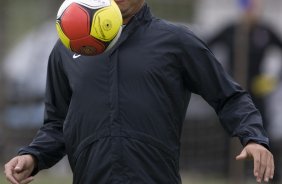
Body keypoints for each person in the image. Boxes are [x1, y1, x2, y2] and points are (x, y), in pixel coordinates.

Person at [4, 0, 274, 183]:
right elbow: (56, 124)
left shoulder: (175, 41)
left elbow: (229, 96)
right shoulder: (68, 47)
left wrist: (253, 138)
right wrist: (33, 156)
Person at [206, 0, 282, 181]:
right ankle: (231, 172)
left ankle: (269, 174)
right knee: (231, 133)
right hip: (233, 92)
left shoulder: (265, 31)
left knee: (263, 132)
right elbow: (204, 49)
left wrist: (274, 79)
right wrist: (220, 76)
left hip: (257, 92)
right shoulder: (231, 30)